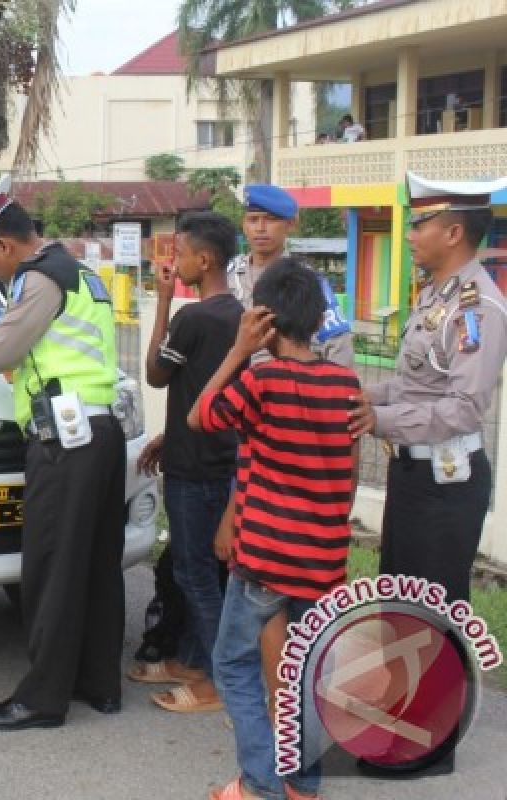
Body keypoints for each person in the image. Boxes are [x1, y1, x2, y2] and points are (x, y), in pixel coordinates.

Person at [0, 185, 126, 730]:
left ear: (4, 246)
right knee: (98, 565)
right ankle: (100, 684)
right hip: (102, 430)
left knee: (50, 565)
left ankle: (42, 699)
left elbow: (5, 351)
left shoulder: (38, 276)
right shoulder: (83, 275)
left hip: (63, 439)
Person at [190, 258, 361, 800]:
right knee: (306, 672)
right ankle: (303, 784)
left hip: (264, 562)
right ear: (316, 318)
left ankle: (260, 783)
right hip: (323, 561)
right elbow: (351, 473)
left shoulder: (262, 378)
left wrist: (239, 351)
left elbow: (201, 416)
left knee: (234, 667)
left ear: (262, 318)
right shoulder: (345, 383)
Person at [219, 183, 356, 720]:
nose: (259, 229)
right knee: (243, 565)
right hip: (239, 423)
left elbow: (340, 363)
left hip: (289, 433)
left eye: (270, 221)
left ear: (289, 227)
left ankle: (283, 704)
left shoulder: (309, 286)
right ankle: (267, 701)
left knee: (274, 578)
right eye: (251, 219)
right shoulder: (229, 277)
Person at [351, 173, 507, 605]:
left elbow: (463, 409)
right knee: (398, 608)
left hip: (446, 486)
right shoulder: (434, 296)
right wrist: (370, 397)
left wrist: (379, 419)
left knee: (432, 624)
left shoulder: (476, 309)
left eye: (420, 225)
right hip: (412, 476)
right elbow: (416, 384)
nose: (410, 236)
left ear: (454, 233)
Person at [139, 212, 244, 714]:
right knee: (205, 571)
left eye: (181, 254)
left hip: (194, 469)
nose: (174, 262)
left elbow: (157, 374)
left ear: (206, 260)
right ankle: (200, 662)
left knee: (195, 573)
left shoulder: (194, 318)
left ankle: (217, 681)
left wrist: (161, 301)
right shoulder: (236, 316)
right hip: (221, 460)